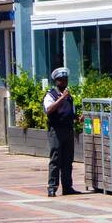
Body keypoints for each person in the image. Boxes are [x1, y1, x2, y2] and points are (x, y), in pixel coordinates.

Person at [43, 67, 81, 197]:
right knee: (56, 159)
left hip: (68, 129)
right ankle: (52, 187)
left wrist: (78, 117)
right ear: (56, 81)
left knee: (68, 159)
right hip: (56, 130)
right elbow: (49, 110)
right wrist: (61, 98)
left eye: (65, 79)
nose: (64, 82)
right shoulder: (51, 95)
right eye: (61, 80)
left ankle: (67, 187)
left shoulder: (68, 96)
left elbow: (70, 112)